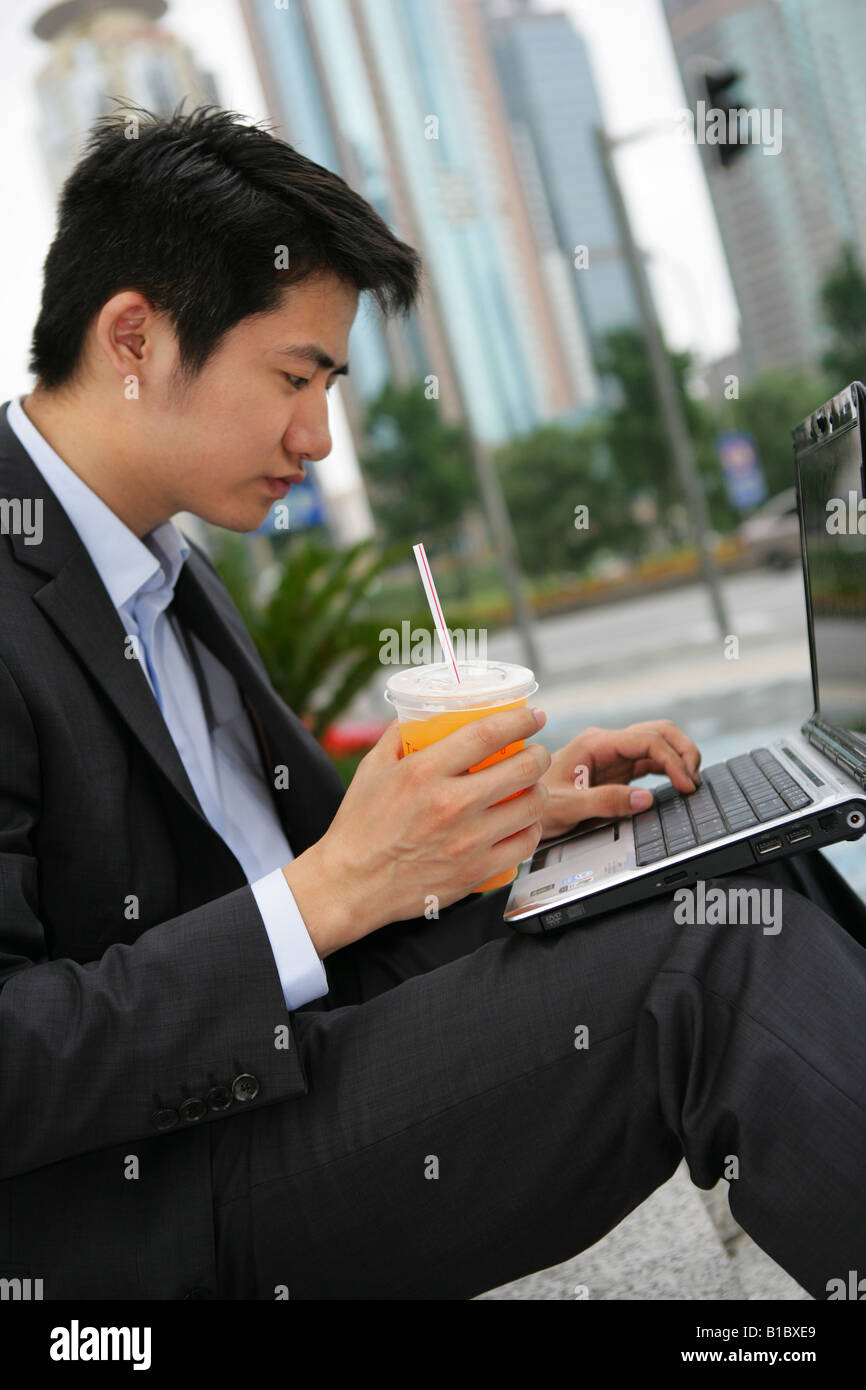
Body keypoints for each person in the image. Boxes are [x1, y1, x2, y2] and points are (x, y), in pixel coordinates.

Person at [1, 105, 864, 1302]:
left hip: (293, 1069)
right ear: (134, 337)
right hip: (148, 1202)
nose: (317, 434)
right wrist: (333, 889)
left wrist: (506, 827)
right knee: (704, 955)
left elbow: (289, 880)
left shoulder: (165, 570)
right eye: (293, 377)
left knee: (736, 865)